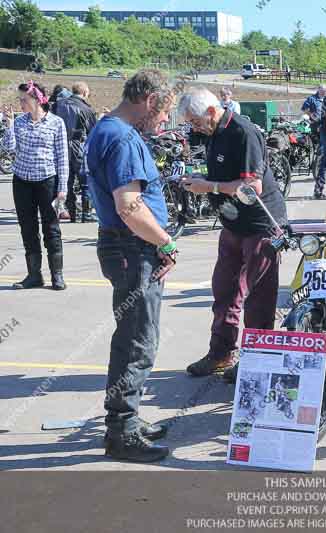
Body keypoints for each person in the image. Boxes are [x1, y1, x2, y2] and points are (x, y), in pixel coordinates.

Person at [83, 69, 178, 461]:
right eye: (163, 112)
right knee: (139, 341)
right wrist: (165, 241)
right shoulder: (122, 138)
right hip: (132, 249)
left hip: (123, 247)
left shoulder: (107, 129)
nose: (164, 121)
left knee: (131, 336)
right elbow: (130, 207)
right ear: (149, 101)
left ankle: (128, 418)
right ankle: (121, 430)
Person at [178, 87, 288, 382]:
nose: (195, 128)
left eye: (197, 122)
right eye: (191, 123)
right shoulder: (214, 131)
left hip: (260, 222)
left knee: (259, 298)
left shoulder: (244, 131)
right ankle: (221, 353)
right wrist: (203, 179)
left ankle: (258, 360)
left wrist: (210, 186)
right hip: (233, 223)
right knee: (224, 289)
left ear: (212, 111)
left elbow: (252, 188)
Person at [2, 82, 69, 291]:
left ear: (37, 100)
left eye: (24, 99)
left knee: (51, 228)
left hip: (47, 181)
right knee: (28, 228)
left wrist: (63, 187)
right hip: (22, 181)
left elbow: (62, 157)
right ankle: (34, 275)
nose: (20, 103)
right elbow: (9, 148)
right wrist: (9, 126)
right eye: (20, 99)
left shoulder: (56, 123)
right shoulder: (19, 122)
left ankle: (56, 275)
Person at [58, 82, 97, 223]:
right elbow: (94, 132)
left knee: (67, 181)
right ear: (85, 92)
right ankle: (86, 214)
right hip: (79, 146)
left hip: (60, 147)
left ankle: (72, 213)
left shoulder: (58, 105)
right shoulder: (86, 109)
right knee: (85, 182)